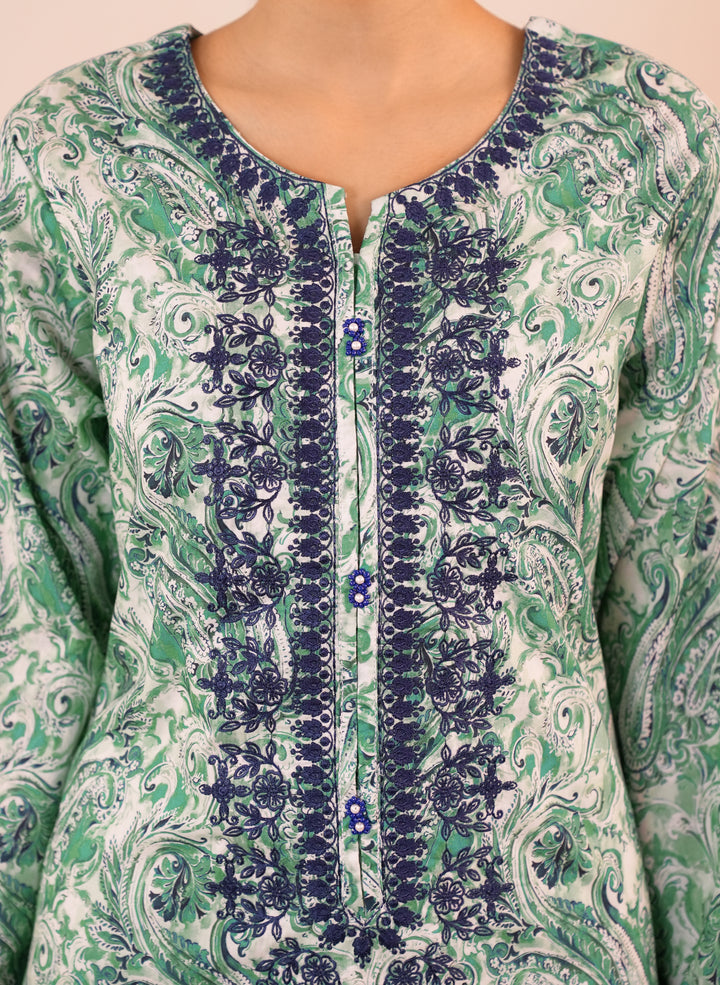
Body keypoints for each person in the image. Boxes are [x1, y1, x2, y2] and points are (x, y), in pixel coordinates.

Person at [0, 1, 718, 983]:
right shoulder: (79, 150)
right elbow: (28, 637)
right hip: (144, 940)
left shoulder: (640, 146)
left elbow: (685, 657)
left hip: (538, 942)